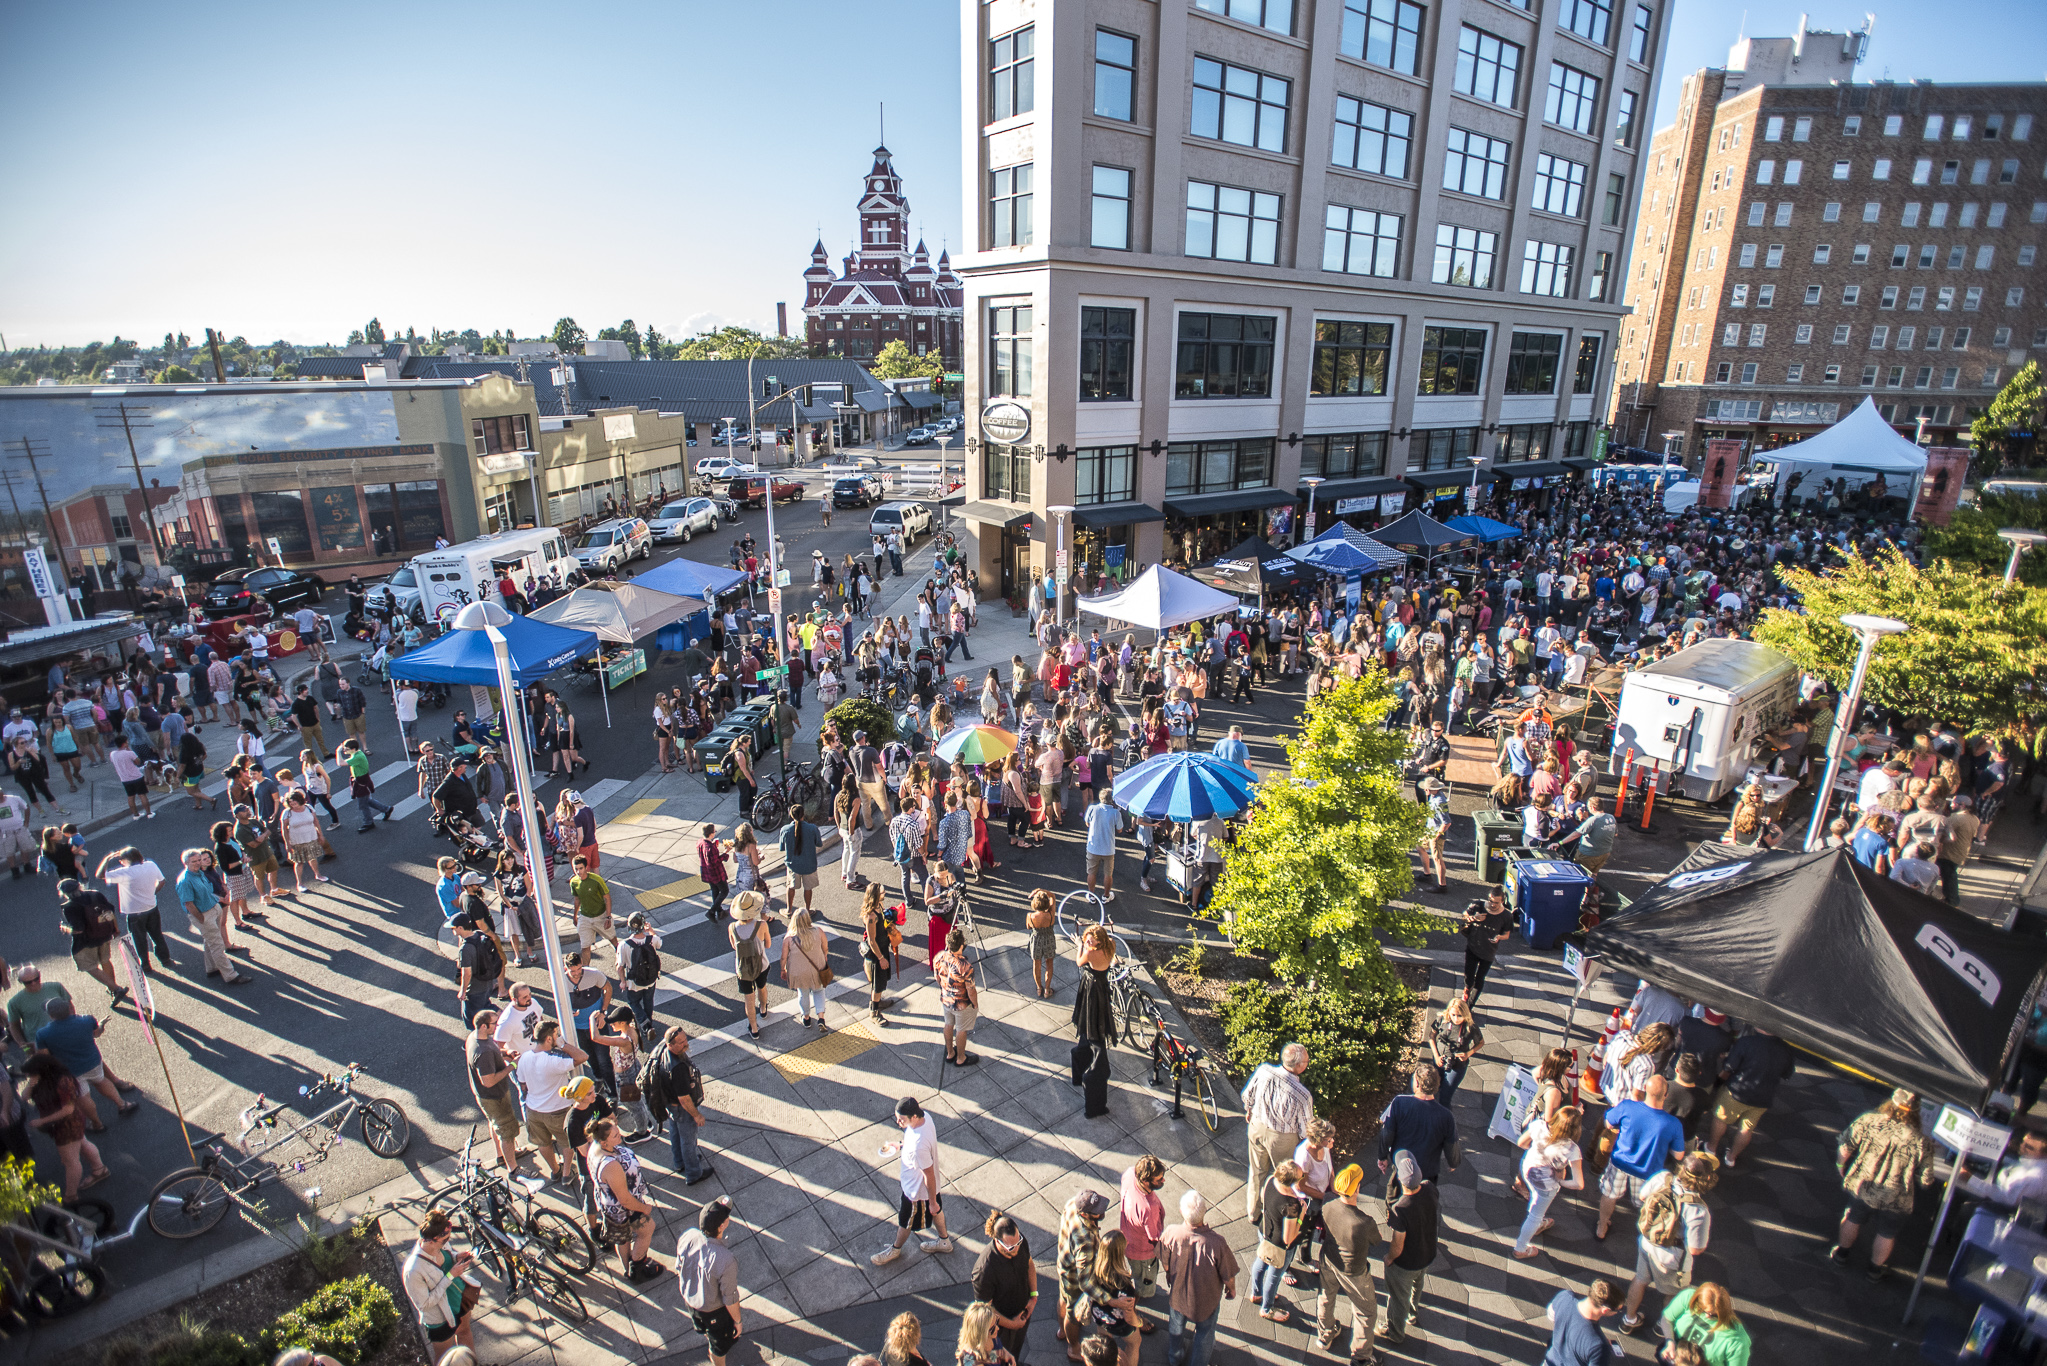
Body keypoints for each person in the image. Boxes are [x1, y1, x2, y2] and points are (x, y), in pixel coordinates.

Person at [1830, 1088, 1939, 1283]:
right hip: (1897, 1198)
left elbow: (1845, 1147)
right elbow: (1926, 1180)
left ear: (1892, 1102)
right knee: (1886, 1234)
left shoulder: (1870, 1121)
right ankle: (1874, 1270)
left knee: (1853, 1218)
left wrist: (1841, 1165)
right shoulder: (1921, 1141)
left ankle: (1841, 1254)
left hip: (1864, 1187)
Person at [1622, 1151, 1720, 1332]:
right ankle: (1662, 1326)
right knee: (1673, 1293)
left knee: (1640, 1279)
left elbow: (1643, 1196)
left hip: (1647, 1242)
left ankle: (1629, 1319)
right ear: (1706, 1179)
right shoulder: (1698, 1210)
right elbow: (1695, 1249)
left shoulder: (1663, 1177)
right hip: (1672, 1258)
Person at [1595, 1075, 1686, 1238]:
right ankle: (1647, 1229)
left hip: (1620, 1163)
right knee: (1645, 1202)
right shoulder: (1673, 1124)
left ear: (1645, 1090)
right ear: (1665, 1095)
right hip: (1649, 1172)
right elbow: (1679, 1155)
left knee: (1610, 1194)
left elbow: (1608, 1123)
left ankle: (1601, 1227)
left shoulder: (1627, 1107)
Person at [874, 1095, 954, 1265]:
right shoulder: (926, 1118)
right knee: (937, 1210)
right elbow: (912, 1140)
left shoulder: (920, 1146)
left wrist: (931, 1201)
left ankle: (895, 1250)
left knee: (905, 1221)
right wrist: (899, 1145)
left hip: (916, 1192)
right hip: (921, 1188)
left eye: (901, 1119)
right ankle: (944, 1241)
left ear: (914, 1117)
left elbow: (929, 1174)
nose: (898, 1122)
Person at [1316, 1164, 1380, 1363]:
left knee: (1326, 1296)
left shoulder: (1327, 1204)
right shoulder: (1363, 1222)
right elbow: (1376, 1240)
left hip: (1328, 1260)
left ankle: (1325, 1334)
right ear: (1357, 1188)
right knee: (1366, 1312)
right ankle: (1360, 1357)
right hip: (1354, 1272)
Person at [1707, 1025, 1795, 1169]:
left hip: (1736, 1093)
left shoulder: (1746, 1042)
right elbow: (1786, 1074)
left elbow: (1729, 1067)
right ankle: (1731, 1157)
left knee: (1721, 1119)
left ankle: (1711, 1148)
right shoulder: (1786, 1049)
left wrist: (1719, 1081)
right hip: (1763, 1098)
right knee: (1746, 1129)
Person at [587, 1116, 662, 1283]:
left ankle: (628, 1270)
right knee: (647, 1229)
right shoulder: (610, 1165)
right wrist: (644, 1208)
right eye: (614, 1136)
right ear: (604, 1143)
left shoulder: (595, 1146)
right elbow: (624, 1199)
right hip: (626, 1208)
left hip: (609, 1206)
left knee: (622, 1239)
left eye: (617, 1131)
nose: (619, 1136)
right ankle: (637, 1265)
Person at [513, 1018, 587, 1184]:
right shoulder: (554, 1061)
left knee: (542, 1142)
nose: (558, 1036)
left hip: (533, 1110)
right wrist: (563, 1044)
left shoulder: (524, 1058)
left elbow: (523, 1084)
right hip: (557, 1110)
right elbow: (583, 1056)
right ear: (549, 1039)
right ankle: (567, 1172)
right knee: (566, 1141)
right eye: (556, 1034)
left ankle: (555, 1170)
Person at [403, 1209, 479, 1365]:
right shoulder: (413, 1270)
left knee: (465, 1332)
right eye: (445, 1240)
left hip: (459, 1300)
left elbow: (447, 1255)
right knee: (446, 1358)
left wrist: (456, 1257)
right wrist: (450, 1276)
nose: (448, 1241)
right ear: (433, 1240)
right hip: (440, 1319)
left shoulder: (441, 1242)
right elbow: (424, 1304)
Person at [1380, 1151, 1438, 1345]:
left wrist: (1390, 1258)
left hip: (1405, 1263)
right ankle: (1412, 1314)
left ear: (1400, 1181)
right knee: (1418, 1284)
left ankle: (1395, 1332)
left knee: (1398, 1298)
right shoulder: (1430, 1188)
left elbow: (1398, 1244)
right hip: (1426, 1254)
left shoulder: (1400, 1209)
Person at [1515, 1106, 1586, 1257]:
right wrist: (1561, 1182)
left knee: (1535, 1195)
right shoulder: (1572, 1149)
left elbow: (1521, 1143)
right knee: (1535, 1215)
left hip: (1528, 1168)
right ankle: (1520, 1249)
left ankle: (1537, 1223)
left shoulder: (1539, 1126)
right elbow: (1578, 1184)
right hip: (1547, 1184)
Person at [647, 1024, 714, 1185]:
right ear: (671, 1044)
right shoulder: (678, 1069)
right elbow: (684, 1099)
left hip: (670, 1105)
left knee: (675, 1134)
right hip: (681, 1108)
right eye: (681, 1042)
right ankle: (693, 1173)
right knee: (688, 1141)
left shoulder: (664, 1050)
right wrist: (696, 1115)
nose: (686, 1044)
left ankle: (679, 1162)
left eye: (685, 1039)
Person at [972, 1209, 1039, 1360]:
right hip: (1000, 1328)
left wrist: (1033, 1297)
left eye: (1018, 1242)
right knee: (1001, 1358)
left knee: (1015, 1352)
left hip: (1022, 1312)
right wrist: (1012, 1324)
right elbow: (986, 1311)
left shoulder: (1018, 1243)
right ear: (997, 1240)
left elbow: (1029, 1264)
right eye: (1010, 1248)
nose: (1016, 1249)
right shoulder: (984, 1270)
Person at [1377, 1066, 1461, 1188]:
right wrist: (1453, 1163)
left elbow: (1387, 1133)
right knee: (1423, 1204)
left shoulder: (1399, 1103)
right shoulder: (1446, 1116)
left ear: (1417, 1083)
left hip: (1402, 1169)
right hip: (1428, 1174)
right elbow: (1451, 1145)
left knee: (1397, 1204)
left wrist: (1382, 1156)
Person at [96, 846, 172, 973]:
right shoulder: (151, 865)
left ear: (126, 860)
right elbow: (162, 881)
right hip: (152, 907)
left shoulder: (124, 872)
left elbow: (100, 875)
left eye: (121, 859)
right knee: (157, 934)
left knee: (139, 939)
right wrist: (153, 893)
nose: (120, 862)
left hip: (134, 913)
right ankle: (165, 959)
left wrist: (107, 859)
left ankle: (146, 965)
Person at [465, 1009, 520, 1172]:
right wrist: (512, 1066)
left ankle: (500, 1155)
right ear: (483, 1026)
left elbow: (494, 1050)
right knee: (506, 1132)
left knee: (495, 1124)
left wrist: (506, 1052)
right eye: (494, 1024)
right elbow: (488, 1081)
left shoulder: (474, 1038)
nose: (497, 1026)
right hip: (495, 1097)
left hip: (484, 1096)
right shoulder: (484, 1052)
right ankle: (513, 1168)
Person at [1250, 1159, 1305, 1323]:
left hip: (1265, 1232)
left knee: (1260, 1263)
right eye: (1300, 1177)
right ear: (1291, 1182)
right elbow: (1288, 1238)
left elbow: (1263, 1200)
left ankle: (1256, 1293)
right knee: (1273, 1277)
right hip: (1279, 1247)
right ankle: (1267, 1308)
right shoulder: (1290, 1205)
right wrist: (1301, 1217)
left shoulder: (1270, 1181)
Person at [1659, 1283, 1752, 1366]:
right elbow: (1667, 1319)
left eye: (1714, 1315)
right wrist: (1670, 1342)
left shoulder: (1737, 1341)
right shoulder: (1688, 1297)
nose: (1707, 1316)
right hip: (1674, 1360)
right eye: (1702, 1310)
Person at [1541, 1278, 1626, 1366]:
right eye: (1618, 1310)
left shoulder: (1565, 1297)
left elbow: (1551, 1315)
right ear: (1605, 1310)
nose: (1617, 1313)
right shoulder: (1599, 1346)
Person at [729, 891, 773, 1040]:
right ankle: (763, 1009)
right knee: (762, 987)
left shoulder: (732, 928)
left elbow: (734, 947)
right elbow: (768, 944)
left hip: (743, 969)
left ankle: (754, 1029)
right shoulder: (762, 925)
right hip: (761, 965)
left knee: (749, 998)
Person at [933, 927, 979, 1067]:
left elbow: (937, 977)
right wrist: (975, 1003)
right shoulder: (965, 966)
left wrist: (945, 989)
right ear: (961, 945)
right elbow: (971, 990)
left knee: (948, 1025)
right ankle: (961, 1058)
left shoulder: (940, 957)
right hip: (961, 1003)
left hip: (946, 1000)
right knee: (961, 1029)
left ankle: (950, 1053)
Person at [1459, 887, 1512, 1002]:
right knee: (1469, 977)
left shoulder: (1506, 916)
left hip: (1489, 952)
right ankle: (1467, 988)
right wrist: (1473, 918)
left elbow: (1507, 934)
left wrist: (1499, 937)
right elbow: (1463, 916)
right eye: (1490, 901)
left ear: (1502, 902)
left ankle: (1469, 1007)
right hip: (1473, 947)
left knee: (1479, 979)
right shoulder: (1478, 906)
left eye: (1496, 902)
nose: (1492, 904)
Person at [1430, 995, 1484, 1106]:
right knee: (1433, 1089)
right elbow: (1432, 1036)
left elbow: (1480, 1042)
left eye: (1459, 1016)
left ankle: (1444, 1120)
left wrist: (1468, 1054)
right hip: (1439, 1061)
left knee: (1445, 1097)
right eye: (1453, 1015)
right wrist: (1436, 1056)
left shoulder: (1470, 1027)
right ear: (1449, 1012)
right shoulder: (1442, 1020)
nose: (1456, 1018)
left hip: (1457, 1065)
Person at [778, 804, 822, 912]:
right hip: (809, 864)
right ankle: (807, 910)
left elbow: (782, 848)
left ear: (791, 815)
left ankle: (789, 909)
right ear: (804, 814)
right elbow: (819, 843)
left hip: (793, 865)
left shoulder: (785, 830)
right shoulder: (812, 828)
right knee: (808, 888)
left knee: (791, 886)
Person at [1084, 785, 1122, 902]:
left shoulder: (1092, 808)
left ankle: (1091, 895)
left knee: (1091, 872)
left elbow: (1087, 823)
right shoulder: (1116, 813)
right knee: (1108, 874)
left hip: (1093, 847)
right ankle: (1106, 896)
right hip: (1108, 848)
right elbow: (1120, 829)